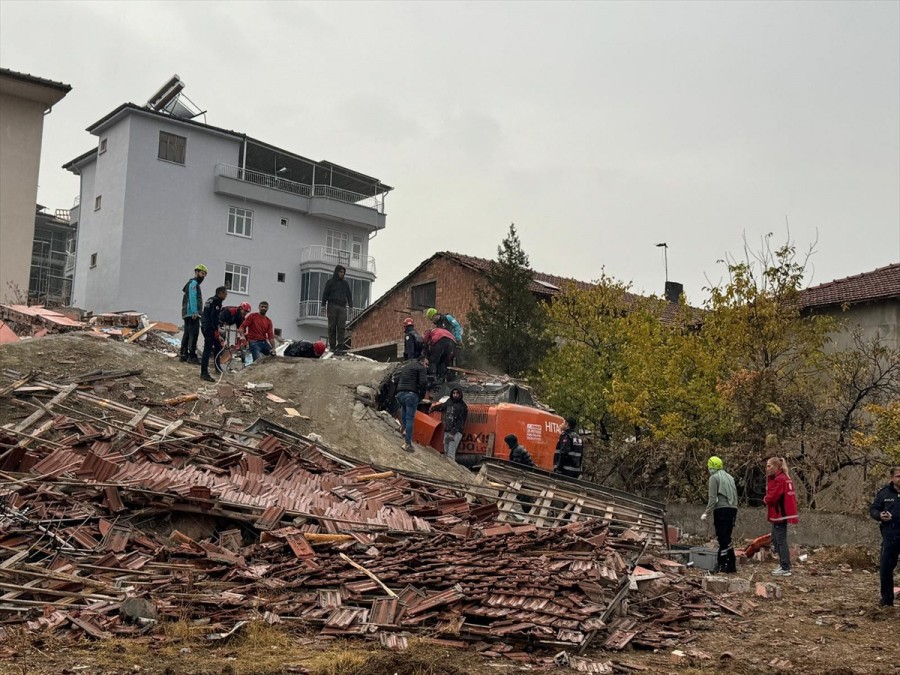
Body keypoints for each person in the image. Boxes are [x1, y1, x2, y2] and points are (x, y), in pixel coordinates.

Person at [701, 456, 739, 573]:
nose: (708, 469)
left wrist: (706, 513)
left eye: (709, 467)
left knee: (722, 538)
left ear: (711, 467)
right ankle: (731, 564)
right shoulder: (729, 477)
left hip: (721, 510)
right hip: (733, 509)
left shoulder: (714, 478)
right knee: (727, 537)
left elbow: (712, 498)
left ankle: (722, 564)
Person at [869, 466, 900, 607]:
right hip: (890, 536)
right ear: (892, 478)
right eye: (898, 476)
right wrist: (880, 515)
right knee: (886, 568)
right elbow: (874, 509)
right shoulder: (884, 493)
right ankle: (887, 600)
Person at [763, 456, 799, 576]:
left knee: (780, 540)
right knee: (775, 538)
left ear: (776, 467)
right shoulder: (783, 478)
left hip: (779, 514)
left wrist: (766, 499)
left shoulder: (780, 479)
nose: (767, 468)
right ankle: (783, 564)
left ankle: (785, 567)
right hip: (779, 514)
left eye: (769, 466)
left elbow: (773, 496)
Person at [394, 355, 428, 452]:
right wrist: (421, 396)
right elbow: (423, 383)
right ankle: (408, 444)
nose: (427, 366)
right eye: (426, 364)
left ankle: (405, 431)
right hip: (411, 394)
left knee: (404, 413)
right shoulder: (421, 368)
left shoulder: (407, 367)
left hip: (400, 394)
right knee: (410, 419)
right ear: (422, 361)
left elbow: (397, 379)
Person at [430, 387, 468, 462]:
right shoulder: (449, 401)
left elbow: (461, 421)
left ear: (460, 394)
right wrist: (433, 408)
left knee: (451, 453)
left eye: (457, 393)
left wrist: (454, 432)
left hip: (455, 433)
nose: (455, 395)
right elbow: (442, 406)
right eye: (454, 393)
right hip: (447, 431)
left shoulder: (463, 406)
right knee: (446, 451)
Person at [321, 265, 353, 353]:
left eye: (343, 272)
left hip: (342, 307)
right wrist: (323, 305)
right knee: (332, 326)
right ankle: (332, 345)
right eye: (341, 272)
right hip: (332, 306)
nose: (342, 274)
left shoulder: (345, 284)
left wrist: (350, 306)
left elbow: (349, 295)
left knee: (341, 327)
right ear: (337, 272)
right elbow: (325, 294)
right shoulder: (330, 282)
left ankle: (340, 345)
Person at [199, 286, 228, 382]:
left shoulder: (210, 300)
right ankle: (204, 373)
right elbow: (213, 316)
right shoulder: (217, 301)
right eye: (225, 293)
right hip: (209, 327)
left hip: (204, 325)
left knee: (218, 345)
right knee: (207, 349)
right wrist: (216, 330)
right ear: (220, 293)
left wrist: (218, 322)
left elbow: (207, 313)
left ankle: (217, 367)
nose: (226, 295)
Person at [180, 264, 207, 363]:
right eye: (202, 273)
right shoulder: (193, 283)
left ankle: (183, 354)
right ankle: (192, 356)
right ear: (196, 272)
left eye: (205, 274)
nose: (203, 276)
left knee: (187, 333)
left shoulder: (191, 283)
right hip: (192, 313)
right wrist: (195, 311)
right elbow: (192, 297)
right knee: (194, 334)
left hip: (188, 313)